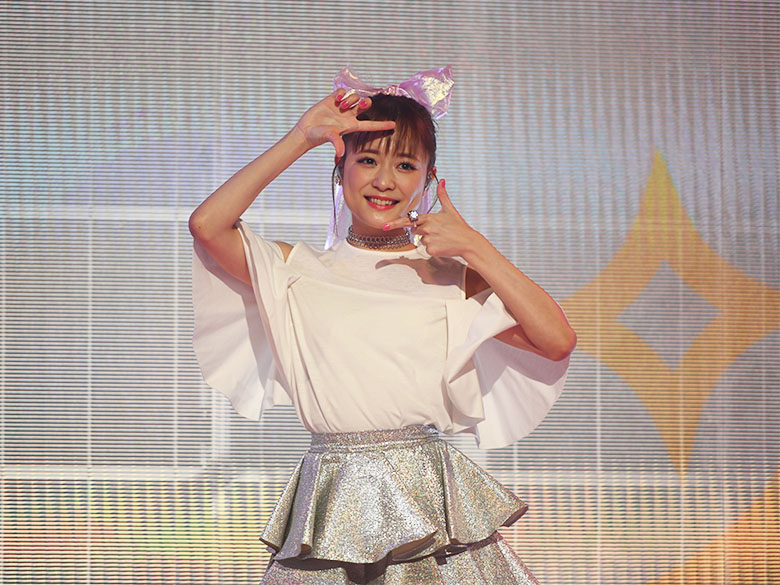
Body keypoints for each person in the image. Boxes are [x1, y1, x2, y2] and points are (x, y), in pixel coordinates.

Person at [189, 66, 576, 584]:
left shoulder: (449, 277)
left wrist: (475, 247)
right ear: (341, 167)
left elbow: (556, 340)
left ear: (428, 179)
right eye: (367, 160)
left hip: (427, 503)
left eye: (405, 165)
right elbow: (207, 224)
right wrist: (300, 138)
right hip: (330, 501)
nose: (384, 180)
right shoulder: (295, 270)